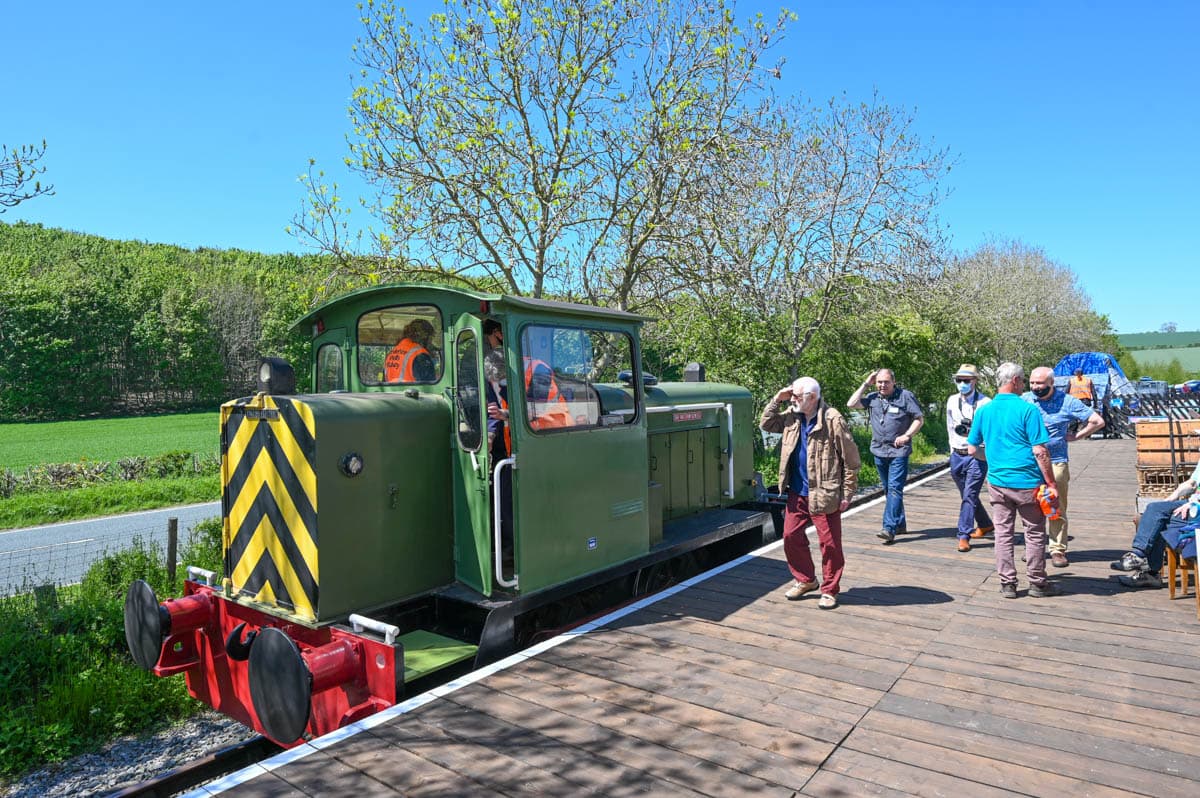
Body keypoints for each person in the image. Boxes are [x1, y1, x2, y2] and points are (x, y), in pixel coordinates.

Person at [761, 377, 860, 609]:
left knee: (830, 544)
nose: (793, 399)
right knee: (790, 537)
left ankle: (829, 589)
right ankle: (806, 580)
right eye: (792, 395)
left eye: (797, 396)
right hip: (797, 492)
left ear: (812, 398)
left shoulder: (832, 419)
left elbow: (852, 460)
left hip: (824, 493)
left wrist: (847, 493)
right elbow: (766, 424)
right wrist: (777, 399)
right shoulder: (791, 417)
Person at [966, 362, 1060, 598]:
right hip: (1028, 482)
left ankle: (1008, 583)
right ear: (1016, 381)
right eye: (1023, 380)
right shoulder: (1028, 410)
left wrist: (995, 460)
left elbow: (971, 449)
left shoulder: (983, 410)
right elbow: (1040, 451)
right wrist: (1051, 483)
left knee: (1003, 533)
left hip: (998, 482)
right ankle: (1037, 582)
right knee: (1035, 533)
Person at [1022, 366, 1106, 567]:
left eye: (1040, 383)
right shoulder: (1024, 400)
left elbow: (1097, 420)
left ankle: (1057, 549)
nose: (1035, 387)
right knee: (1030, 507)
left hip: (1056, 460)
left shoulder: (1067, 402)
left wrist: (1076, 436)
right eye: (1032, 383)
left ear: (1051, 383)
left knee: (1055, 505)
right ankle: (1034, 548)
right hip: (1029, 462)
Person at [847, 368, 924, 544]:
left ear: (893, 382)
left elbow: (919, 419)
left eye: (886, 382)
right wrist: (866, 383)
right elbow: (851, 404)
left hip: (899, 451)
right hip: (879, 451)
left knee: (895, 488)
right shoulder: (874, 398)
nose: (882, 385)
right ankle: (900, 523)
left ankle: (889, 528)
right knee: (889, 489)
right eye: (879, 382)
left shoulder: (905, 396)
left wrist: (907, 436)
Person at [1111, 460, 1200, 588]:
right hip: (1192, 506)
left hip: (1196, 509)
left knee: (1158, 517)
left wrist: (1195, 504)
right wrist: (1168, 501)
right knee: (1155, 510)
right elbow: (1191, 483)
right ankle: (1143, 563)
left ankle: (1146, 567)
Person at [945, 364, 993, 553]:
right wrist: (951, 449)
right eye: (959, 380)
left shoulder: (985, 403)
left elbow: (990, 430)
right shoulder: (951, 401)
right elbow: (950, 426)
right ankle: (985, 524)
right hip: (957, 453)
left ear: (975, 381)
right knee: (966, 494)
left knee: (970, 494)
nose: (962, 384)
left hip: (977, 454)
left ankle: (963, 535)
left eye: (966, 380)